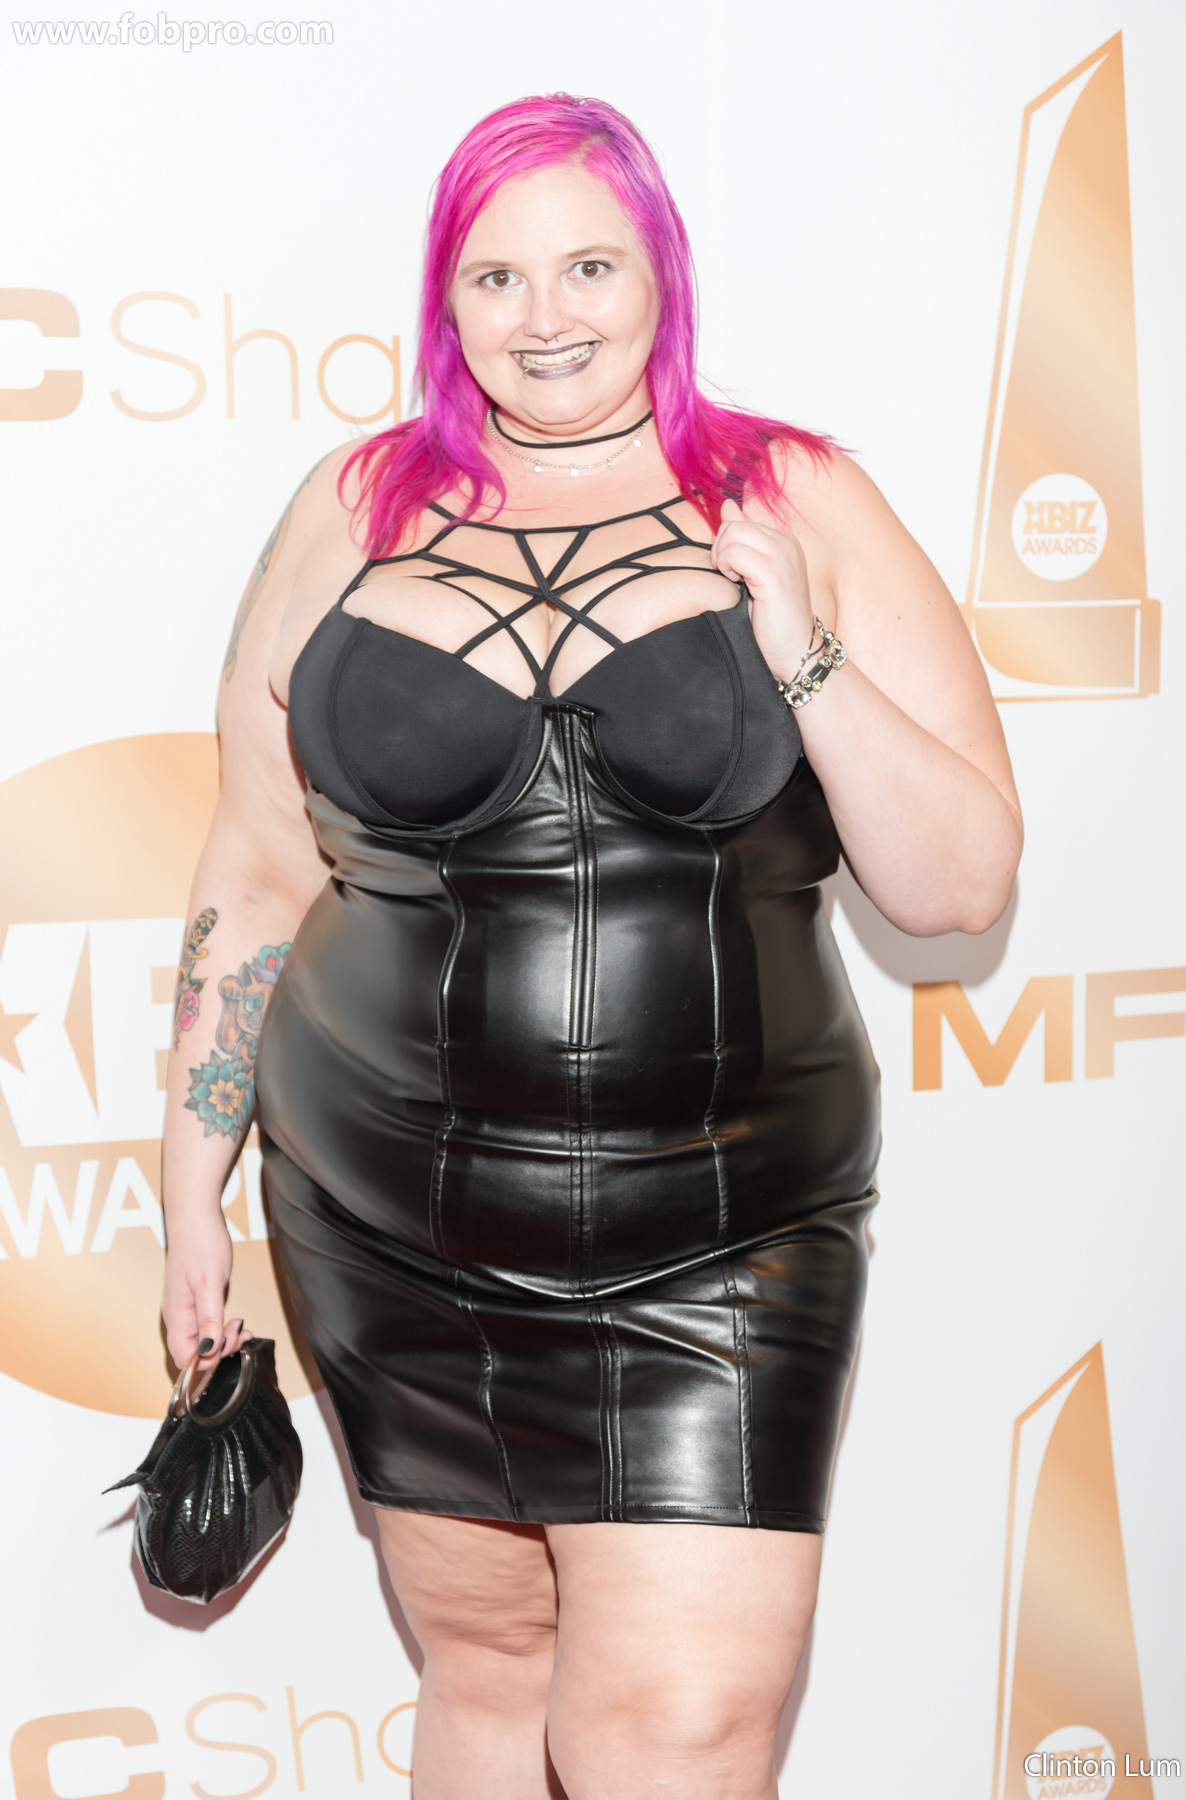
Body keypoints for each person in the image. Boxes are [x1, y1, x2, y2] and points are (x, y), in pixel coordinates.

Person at [160, 93, 1021, 1800]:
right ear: (446, 299)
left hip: (722, 1233)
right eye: (496, 276)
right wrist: (191, 1190)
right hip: (386, 1219)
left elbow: (960, 886)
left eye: (588, 267)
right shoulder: (349, 508)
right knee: (489, 1674)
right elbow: (254, 876)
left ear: (661, 275)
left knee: (672, 1736)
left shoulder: (796, 496)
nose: (545, 316)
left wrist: (803, 651)